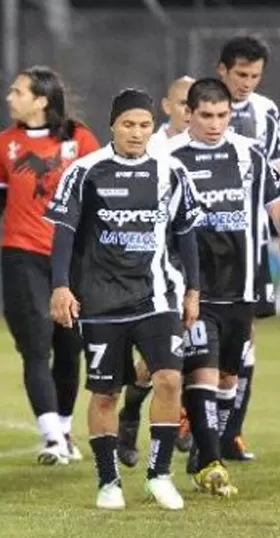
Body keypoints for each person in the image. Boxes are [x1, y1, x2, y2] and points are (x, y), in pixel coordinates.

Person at [46, 88, 204, 510]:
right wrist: (60, 285)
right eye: (129, 124)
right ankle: (108, 481)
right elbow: (62, 232)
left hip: (157, 295)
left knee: (169, 378)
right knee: (105, 394)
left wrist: (193, 289)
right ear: (112, 126)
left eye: (145, 125)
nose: (137, 132)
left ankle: (159, 474)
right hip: (101, 300)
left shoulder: (171, 172)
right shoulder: (85, 171)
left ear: (154, 128)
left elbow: (186, 233)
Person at [168, 78, 280, 495]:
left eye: (223, 116)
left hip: (244, 284)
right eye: (207, 116)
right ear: (188, 114)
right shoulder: (169, 158)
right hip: (194, 287)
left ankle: (201, 441)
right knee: (203, 371)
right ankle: (210, 462)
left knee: (229, 377)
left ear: (232, 115)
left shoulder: (250, 155)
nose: (215, 124)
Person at [0, 66, 97, 464]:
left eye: (17, 91)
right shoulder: (4, 143)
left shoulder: (80, 139)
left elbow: (94, 198)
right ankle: (52, 437)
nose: (9, 97)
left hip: (70, 256)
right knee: (36, 347)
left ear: (41, 100)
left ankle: (66, 428)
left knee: (70, 347)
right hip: (21, 254)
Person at [216, 35, 280, 461]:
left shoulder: (266, 112)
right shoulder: (199, 105)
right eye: (241, 74)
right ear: (222, 70)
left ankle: (231, 432)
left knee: (244, 335)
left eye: (255, 76)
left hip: (248, 244)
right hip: (199, 243)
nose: (247, 83)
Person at [119, 74, 197, 467]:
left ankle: (188, 428)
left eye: (194, 103)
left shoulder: (218, 145)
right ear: (167, 106)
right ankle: (133, 413)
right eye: (183, 103)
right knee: (157, 361)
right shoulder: (149, 146)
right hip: (152, 270)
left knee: (198, 357)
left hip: (200, 262)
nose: (189, 110)